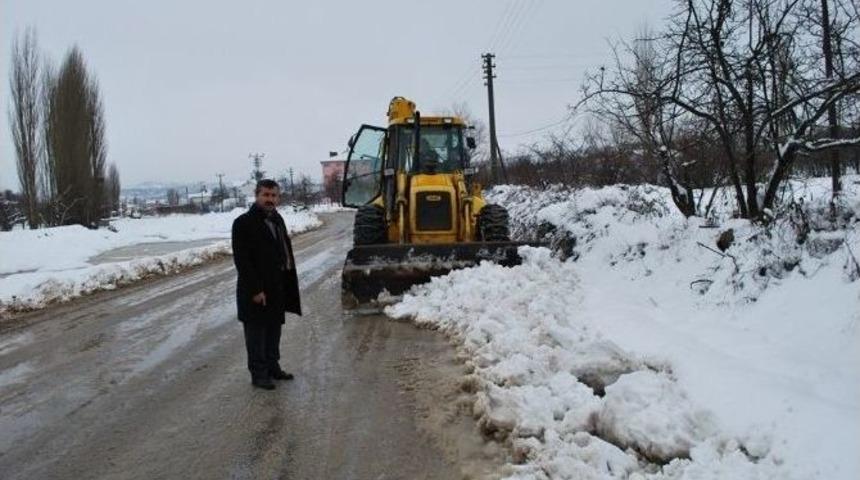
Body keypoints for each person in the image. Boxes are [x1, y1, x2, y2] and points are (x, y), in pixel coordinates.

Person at [231, 179, 302, 390]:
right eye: (266, 195)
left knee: (273, 330)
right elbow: (242, 260)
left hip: (276, 286)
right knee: (256, 334)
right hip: (256, 289)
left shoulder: (277, 220)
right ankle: (259, 374)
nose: (270, 199)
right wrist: (255, 289)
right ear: (257, 196)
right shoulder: (243, 223)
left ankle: (273, 367)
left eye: (273, 196)